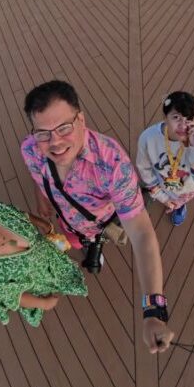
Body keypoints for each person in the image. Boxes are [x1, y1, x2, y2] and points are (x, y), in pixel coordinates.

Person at [21, 80, 176, 354]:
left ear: (80, 120)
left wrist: (154, 311)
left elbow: (141, 232)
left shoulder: (113, 165)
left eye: (64, 128)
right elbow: (38, 174)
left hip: (98, 222)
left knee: (92, 240)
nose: (55, 142)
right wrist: (42, 198)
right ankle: (87, 245)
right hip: (66, 221)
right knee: (74, 241)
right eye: (43, 133)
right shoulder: (31, 149)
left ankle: (95, 245)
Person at [137, 90, 194, 226]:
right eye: (176, 117)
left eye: (189, 118)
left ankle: (179, 206)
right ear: (165, 117)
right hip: (161, 182)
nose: (183, 126)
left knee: (179, 201)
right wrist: (161, 196)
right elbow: (144, 169)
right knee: (164, 197)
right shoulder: (148, 138)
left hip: (187, 188)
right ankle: (167, 200)